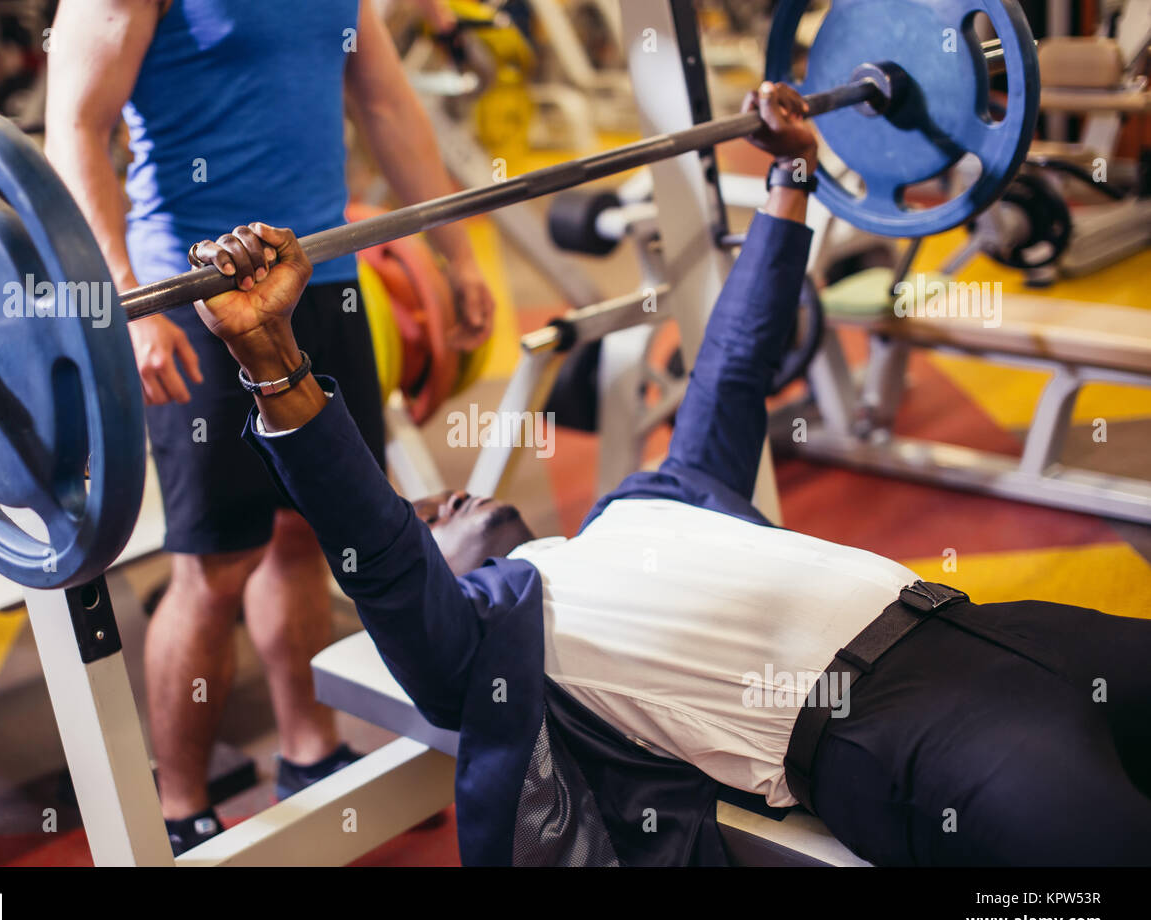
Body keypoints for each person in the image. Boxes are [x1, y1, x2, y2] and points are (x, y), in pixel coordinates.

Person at [185, 84, 1151, 866]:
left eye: (430, 499)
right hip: (912, 735)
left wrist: (789, 179)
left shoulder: (649, 502)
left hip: (989, 629)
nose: (441, 496)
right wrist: (273, 356)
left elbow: (731, 369)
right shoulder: (490, 643)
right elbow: (383, 555)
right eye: (431, 514)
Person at [44, 0, 495, 853]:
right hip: (195, 295)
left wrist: (458, 250)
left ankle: (307, 748)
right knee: (215, 563)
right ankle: (177, 807)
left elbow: (387, 102)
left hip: (326, 278)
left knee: (306, 534)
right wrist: (126, 304)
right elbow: (74, 127)